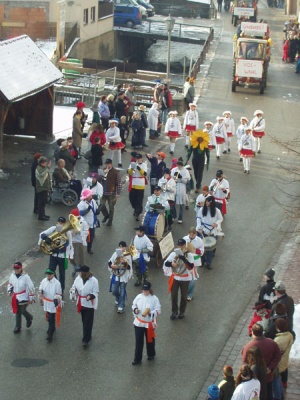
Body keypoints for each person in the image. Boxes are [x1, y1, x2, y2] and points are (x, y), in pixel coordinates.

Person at [241, 323, 281, 400]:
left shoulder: (248, 347)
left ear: (252, 332)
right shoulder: (271, 342)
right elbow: (278, 356)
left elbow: (244, 363)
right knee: (269, 394)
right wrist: (270, 367)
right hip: (268, 376)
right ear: (262, 332)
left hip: (255, 379)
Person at [39, 216, 72, 292]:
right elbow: (42, 234)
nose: (60, 224)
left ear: (64, 224)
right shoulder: (53, 229)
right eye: (59, 222)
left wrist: (60, 250)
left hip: (62, 256)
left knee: (62, 274)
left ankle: (61, 290)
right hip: (53, 255)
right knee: (51, 270)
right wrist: (46, 238)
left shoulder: (68, 232)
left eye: (62, 223)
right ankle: (55, 286)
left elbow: (69, 244)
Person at [163, 238, 194, 320]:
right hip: (176, 277)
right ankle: (174, 311)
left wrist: (184, 259)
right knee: (173, 295)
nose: (180, 247)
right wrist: (171, 263)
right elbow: (166, 263)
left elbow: (191, 267)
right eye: (179, 245)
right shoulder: (174, 254)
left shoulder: (189, 255)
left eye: (182, 245)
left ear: (185, 245)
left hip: (185, 279)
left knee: (184, 297)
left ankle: (182, 312)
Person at [131, 281, 161, 365]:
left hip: (149, 324)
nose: (145, 292)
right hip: (139, 323)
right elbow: (134, 305)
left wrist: (150, 313)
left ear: (150, 290)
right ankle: (137, 359)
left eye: (147, 290)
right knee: (138, 341)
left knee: (150, 340)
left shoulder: (154, 298)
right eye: (144, 290)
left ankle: (151, 354)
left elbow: (158, 310)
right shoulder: (139, 297)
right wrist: (135, 310)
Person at [70, 265, 99, 349]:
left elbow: (96, 292)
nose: (79, 273)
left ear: (84, 273)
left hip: (89, 304)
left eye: (80, 272)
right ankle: (87, 334)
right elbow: (74, 287)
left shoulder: (94, 281)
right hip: (81, 303)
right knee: (84, 321)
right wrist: (73, 291)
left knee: (88, 322)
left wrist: (90, 296)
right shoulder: (78, 279)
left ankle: (86, 339)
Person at [196, 196, 223, 269]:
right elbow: (198, 218)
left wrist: (216, 223)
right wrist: (199, 227)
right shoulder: (202, 209)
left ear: (211, 202)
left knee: (210, 248)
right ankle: (202, 261)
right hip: (204, 230)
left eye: (208, 201)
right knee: (202, 247)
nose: (207, 203)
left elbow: (220, 218)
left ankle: (208, 262)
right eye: (206, 201)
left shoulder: (217, 210)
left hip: (212, 231)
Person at [7, 262, 35, 334]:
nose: (16, 270)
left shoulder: (26, 277)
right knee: (17, 311)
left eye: (18, 268)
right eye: (15, 268)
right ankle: (18, 326)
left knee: (22, 310)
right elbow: (10, 284)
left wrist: (31, 296)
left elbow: (30, 286)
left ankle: (29, 317)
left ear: (21, 268)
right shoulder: (12, 276)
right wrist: (9, 290)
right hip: (16, 296)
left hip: (24, 296)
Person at [108, 241, 133, 313]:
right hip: (116, 275)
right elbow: (110, 262)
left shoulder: (127, 255)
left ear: (125, 247)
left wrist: (124, 263)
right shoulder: (115, 253)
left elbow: (129, 267)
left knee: (122, 291)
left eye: (123, 247)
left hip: (123, 276)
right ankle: (118, 298)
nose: (121, 248)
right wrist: (111, 266)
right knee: (114, 290)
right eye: (120, 247)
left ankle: (121, 306)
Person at [38, 268, 62, 342]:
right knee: (49, 315)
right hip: (46, 302)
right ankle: (52, 328)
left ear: (53, 274)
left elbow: (59, 293)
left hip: (53, 303)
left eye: (50, 274)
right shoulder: (44, 281)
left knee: (51, 318)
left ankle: (50, 334)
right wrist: (41, 293)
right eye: (47, 274)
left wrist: (56, 299)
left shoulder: (57, 283)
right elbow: (40, 289)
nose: (48, 276)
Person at [273, 318, 294, 396]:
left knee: (277, 377)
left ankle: (279, 393)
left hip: (278, 362)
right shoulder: (290, 335)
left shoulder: (277, 340)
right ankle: (284, 382)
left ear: (278, 328)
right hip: (285, 358)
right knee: (285, 368)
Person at [183, 227, 204, 301]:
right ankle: (186, 292)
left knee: (192, 279)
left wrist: (197, 251)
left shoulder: (199, 240)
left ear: (195, 234)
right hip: (186, 260)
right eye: (190, 235)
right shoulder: (185, 239)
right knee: (185, 277)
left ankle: (189, 294)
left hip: (195, 261)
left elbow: (202, 251)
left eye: (193, 235)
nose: (191, 236)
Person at [99, 158, 122, 226]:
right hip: (103, 192)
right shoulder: (103, 170)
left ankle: (110, 221)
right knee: (101, 205)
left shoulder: (115, 172)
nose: (107, 166)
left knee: (111, 208)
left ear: (111, 164)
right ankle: (106, 215)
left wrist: (118, 193)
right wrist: (103, 174)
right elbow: (99, 179)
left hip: (111, 193)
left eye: (108, 164)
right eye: (106, 164)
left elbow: (119, 183)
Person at [69, 208, 89, 277]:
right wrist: (71, 232)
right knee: (71, 258)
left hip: (80, 242)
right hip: (72, 242)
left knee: (79, 258)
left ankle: (79, 271)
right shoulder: (71, 222)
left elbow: (86, 232)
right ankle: (75, 268)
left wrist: (80, 232)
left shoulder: (84, 222)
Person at [127, 152, 147, 221]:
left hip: (140, 184)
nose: (137, 160)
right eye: (136, 158)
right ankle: (135, 208)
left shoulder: (144, 165)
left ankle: (138, 213)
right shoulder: (132, 164)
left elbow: (144, 174)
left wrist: (138, 168)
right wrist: (132, 168)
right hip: (133, 184)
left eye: (138, 158)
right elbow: (128, 173)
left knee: (139, 200)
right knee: (131, 198)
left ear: (141, 159)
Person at [77, 188, 98, 254]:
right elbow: (81, 213)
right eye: (89, 195)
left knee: (91, 237)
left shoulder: (93, 201)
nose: (91, 196)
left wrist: (98, 210)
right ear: (86, 197)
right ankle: (80, 249)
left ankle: (89, 248)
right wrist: (87, 210)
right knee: (83, 237)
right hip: (85, 224)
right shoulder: (81, 204)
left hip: (92, 223)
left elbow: (96, 209)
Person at [171, 158, 190, 224]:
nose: (179, 166)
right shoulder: (174, 169)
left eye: (180, 165)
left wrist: (181, 177)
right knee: (173, 202)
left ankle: (180, 218)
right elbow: (172, 177)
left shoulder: (185, 171)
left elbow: (186, 181)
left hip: (182, 187)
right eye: (178, 165)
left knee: (182, 204)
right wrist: (175, 177)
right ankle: (173, 215)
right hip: (175, 185)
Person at [35, 156, 51, 221]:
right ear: (41, 163)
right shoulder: (39, 169)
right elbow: (42, 174)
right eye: (44, 162)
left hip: (45, 188)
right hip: (42, 189)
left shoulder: (43, 168)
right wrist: (48, 168)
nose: (46, 163)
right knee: (41, 203)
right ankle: (41, 216)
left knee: (44, 202)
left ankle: (43, 214)